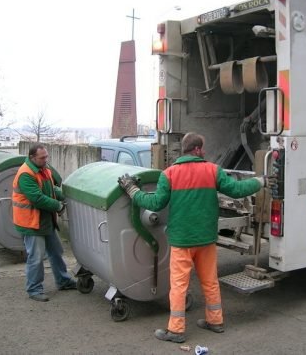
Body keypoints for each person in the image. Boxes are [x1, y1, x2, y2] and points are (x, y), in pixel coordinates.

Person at [118, 132, 276, 343]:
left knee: (179, 285)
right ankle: (215, 321)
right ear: (198, 149)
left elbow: (155, 203)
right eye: (203, 148)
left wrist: (132, 190)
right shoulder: (213, 171)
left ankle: (176, 330)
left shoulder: (170, 174)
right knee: (210, 282)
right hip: (206, 240)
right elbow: (237, 190)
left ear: (184, 149)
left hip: (182, 241)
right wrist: (261, 180)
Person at [12, 143, 77, 302]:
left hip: (44, 220)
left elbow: (51, 190)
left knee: (56, 252)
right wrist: (58, 205)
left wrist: (66, 195)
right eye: (42, 158)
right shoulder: (26, 174)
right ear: (32, 157)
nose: (46, 159)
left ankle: (63, 281)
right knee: (36, 257)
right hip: (31, 223)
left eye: (46, 156)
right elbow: (37, 198)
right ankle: (34, 289)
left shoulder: (43, 169)